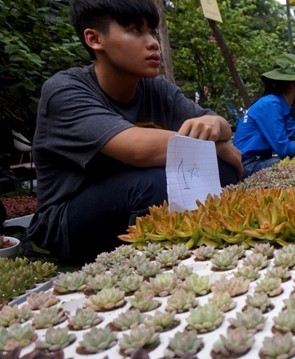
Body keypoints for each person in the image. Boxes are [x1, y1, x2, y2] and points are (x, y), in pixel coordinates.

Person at [27, 0, 243, 265]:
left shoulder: (155, 89)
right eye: (135, 31)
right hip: (66, 222)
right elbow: (139, 149)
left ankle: (185, 249)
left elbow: (215, 122)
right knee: (153, 182)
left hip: (130, 199)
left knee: (225, 168)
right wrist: (214, 145)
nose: (152, 42)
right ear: (94, 39)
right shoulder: (65, 91)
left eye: (152, 32)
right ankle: (146, 268)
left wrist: (215, 127)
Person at [233, 54, 295, 179]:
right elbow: (284, 149)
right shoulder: (271, 104)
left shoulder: (282, 105)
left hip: (261, 160)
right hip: (249, 165)